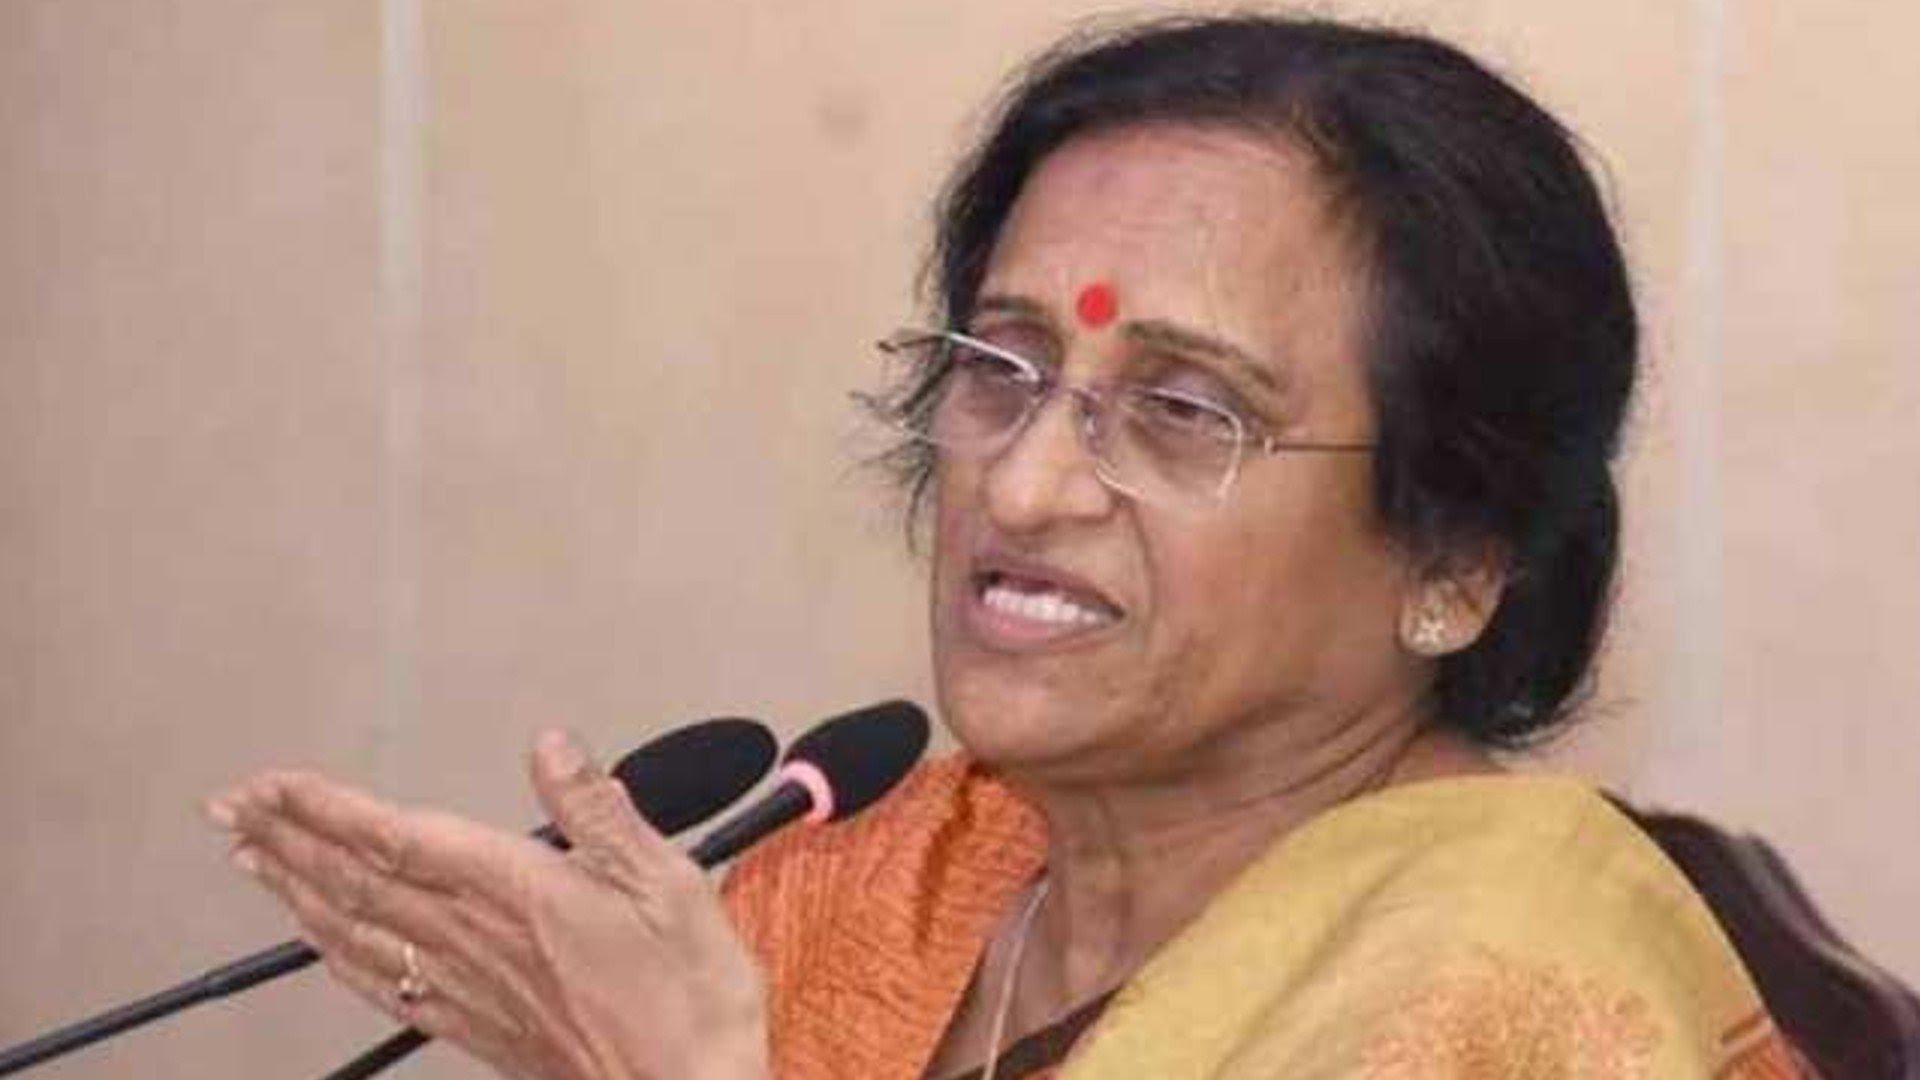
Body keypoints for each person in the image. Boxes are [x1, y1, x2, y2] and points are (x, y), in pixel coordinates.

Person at [208, 14, 1806, 1079]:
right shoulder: (867, 891)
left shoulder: (1514, 994)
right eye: (1002, 369)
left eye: (1183, 410)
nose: (1026, 485)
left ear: (1455, 559)